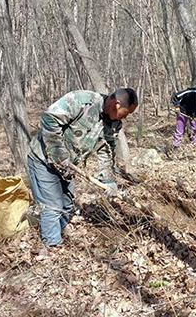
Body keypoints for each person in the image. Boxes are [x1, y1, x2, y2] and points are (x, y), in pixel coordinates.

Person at [28, 88, 138, 246]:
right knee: (52, 206)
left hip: (69, 167)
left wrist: (107, 179)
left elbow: (106, 150)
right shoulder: (82, 101)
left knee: (67, 204)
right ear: (117, 104)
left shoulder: (114, 124)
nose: (126, 117)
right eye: (126, 113)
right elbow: (49, 118)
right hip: (43, 160)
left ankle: (57, 235)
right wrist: (59, 154)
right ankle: (52, 247)